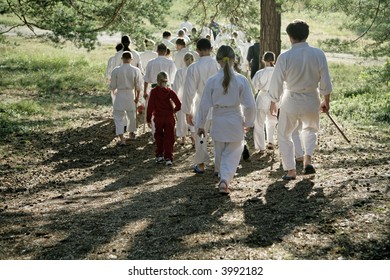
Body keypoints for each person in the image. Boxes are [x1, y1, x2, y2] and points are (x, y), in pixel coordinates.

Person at [267, 19, 332, 180]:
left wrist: (273, 101)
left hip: (291, 99)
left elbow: (276, 81)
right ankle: (307, 160)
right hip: (312, 98)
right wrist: (326, 102)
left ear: (290, 37)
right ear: (306, 35)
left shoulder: (285, 56)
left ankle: (291, 170)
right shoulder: (318, 54)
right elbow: (325, 81)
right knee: (310, 129)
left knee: (284, 134)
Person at [196, 45, 256, 194]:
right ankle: (224, 179)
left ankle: (221, 175)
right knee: (234, 150)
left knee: (220, 150)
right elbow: (250, 105)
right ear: (234, 60)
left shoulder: (212, 80)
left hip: (218, 118)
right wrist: (248, 122)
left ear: (218, 61)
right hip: (235, 117)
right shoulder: (241, 80)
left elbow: (203, 105)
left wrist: (200, 124)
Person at [182, 38, 219, 174]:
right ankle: (218, 165)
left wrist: (187, 110)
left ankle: (201, 164)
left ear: (197, 51)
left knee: (200, 135)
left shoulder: (193, 67)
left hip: (200, 102)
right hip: (217, 103)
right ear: (211, 49)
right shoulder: (217, 65)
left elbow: (188, 91)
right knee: (217, 135)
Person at [146, 72, 181, 166]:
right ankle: (168, 157)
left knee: (159, 136)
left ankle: (159, 155)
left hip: (158, 117)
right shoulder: (170, 92)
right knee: (169, 137)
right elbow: (179, 104)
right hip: (169, 117)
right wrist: (174, 110)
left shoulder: (153, 92)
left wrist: (148, 119)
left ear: (157, 81)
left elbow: (150, 107)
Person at [110, 51, 143, 145]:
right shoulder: (135, 70)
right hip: (130, 93)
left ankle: (121, 138)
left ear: (122, 59)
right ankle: (131, 133)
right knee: (132, 115)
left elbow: (112, 86)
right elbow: (138, 86)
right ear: (131, 59)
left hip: (119, 93)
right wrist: (137, 97)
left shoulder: (116, 70)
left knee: (118, 116)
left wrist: (114, 93)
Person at [252, 51, 278, 153]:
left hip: (263, 96)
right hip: (274, 98)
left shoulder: (260, 73)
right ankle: (270, 141)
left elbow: (253, 87)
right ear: (274, 60)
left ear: (263, 60)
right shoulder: (277, 73)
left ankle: (261, 147)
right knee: (272, 120)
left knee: (259, 123)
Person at [172, 52, 196, 146]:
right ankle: (193, 137)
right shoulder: (195, 70)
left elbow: (176, 87)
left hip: (182, 96)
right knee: (193, 116)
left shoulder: (180, 72)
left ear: (184, 61)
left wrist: (174, 99)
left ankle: (183, 138)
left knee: (182, 118)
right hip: (194, 96)